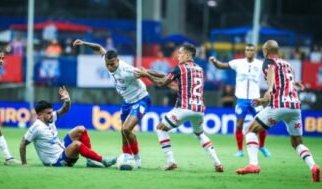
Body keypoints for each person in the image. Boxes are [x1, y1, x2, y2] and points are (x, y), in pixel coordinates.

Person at [236, 40, 320, 183]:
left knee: (251, 130)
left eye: (263, 51)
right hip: (295, 106)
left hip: (279, 105)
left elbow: (271, 74)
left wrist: (268, 92)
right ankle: (313, 166)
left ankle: (253, 164)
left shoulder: (268, 62)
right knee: (297, 142)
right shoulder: (287, 65)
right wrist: (296, 83)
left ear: (266, 51)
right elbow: (285, 80)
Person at [135, 43, 224, 172]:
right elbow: (167, 76)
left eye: (180, 53)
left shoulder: (180, 68)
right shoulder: (199, 69)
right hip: (199, 109)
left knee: (161, 129)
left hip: (184, 108)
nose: (178, 56)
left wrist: (146, 75)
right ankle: (217, 163)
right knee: (200, 134)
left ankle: (171, 161)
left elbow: (162, 83)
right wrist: (148, 71)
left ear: (188, 55)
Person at [73, 39, 151, 168]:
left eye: (112, 64)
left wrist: (166, 80)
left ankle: (137, 159)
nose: (110, 67)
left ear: (118, 60)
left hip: (141, 99)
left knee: (126, 129)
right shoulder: (108, 61)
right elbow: (99, 48)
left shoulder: (126, 70)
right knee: (123, 132)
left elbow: (146, 73)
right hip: (127, 102)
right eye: (107, 64)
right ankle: (127, 156)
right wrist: (83, 43)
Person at [20, 87, 116, 168]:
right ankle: (102, 160)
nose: (51, 115)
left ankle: (90, 160)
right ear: (40, 114)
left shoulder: (50, 118)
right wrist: (24, 163)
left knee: (80, 129)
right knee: (76, 144)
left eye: (51, 112)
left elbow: (65, 109)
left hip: (62, 150)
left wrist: (67, 99)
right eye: (48, 113)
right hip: (56, 162)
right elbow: (22, 144)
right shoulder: (36, 127)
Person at [209, 44, 271, 157]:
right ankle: (240, 150)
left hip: (256, 99)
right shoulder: (238, 63)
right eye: (247, 50)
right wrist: (214, 62)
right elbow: (222, 66)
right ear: (245, 51)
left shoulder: (261, 64)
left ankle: (262, 146)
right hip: (241, 100)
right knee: (238, 125)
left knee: (262, 124)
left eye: (252, 50)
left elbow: (272, 74)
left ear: (255, 52)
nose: (249, 52)